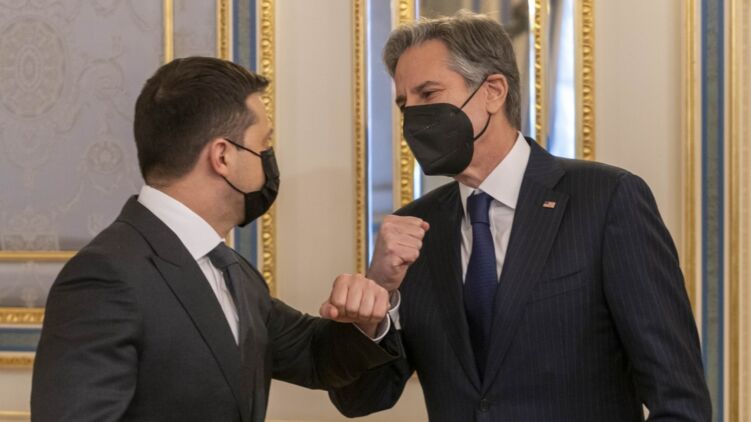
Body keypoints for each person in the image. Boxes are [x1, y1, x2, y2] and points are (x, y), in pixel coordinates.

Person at [329, 11, 711, 421]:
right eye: (405, 104)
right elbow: (360, 399)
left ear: (493, 91)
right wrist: (378, 296)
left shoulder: (608, 199)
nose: (413, 118)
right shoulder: (414, 232)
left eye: (429, 94)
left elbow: (679, 397)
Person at [30, 57, 406, 422]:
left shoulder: (229, 268)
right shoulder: (104, 276)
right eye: (264, 144)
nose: (269, 158)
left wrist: (369, 308)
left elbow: (312, 354)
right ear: (223, 156)